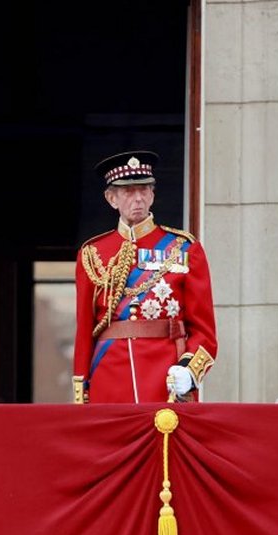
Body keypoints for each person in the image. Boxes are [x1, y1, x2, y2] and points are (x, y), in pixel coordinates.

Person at [72, 150, 217, 404]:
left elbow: (205, 331)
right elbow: (85, 331)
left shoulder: (184, 248)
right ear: (111, 198)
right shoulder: (93, 253)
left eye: (144, 190)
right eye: (128, 192)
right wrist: (81, 390)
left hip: (165, 376)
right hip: (109, 378)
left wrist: (190, 371)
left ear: (152, 195)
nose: (137, 198)